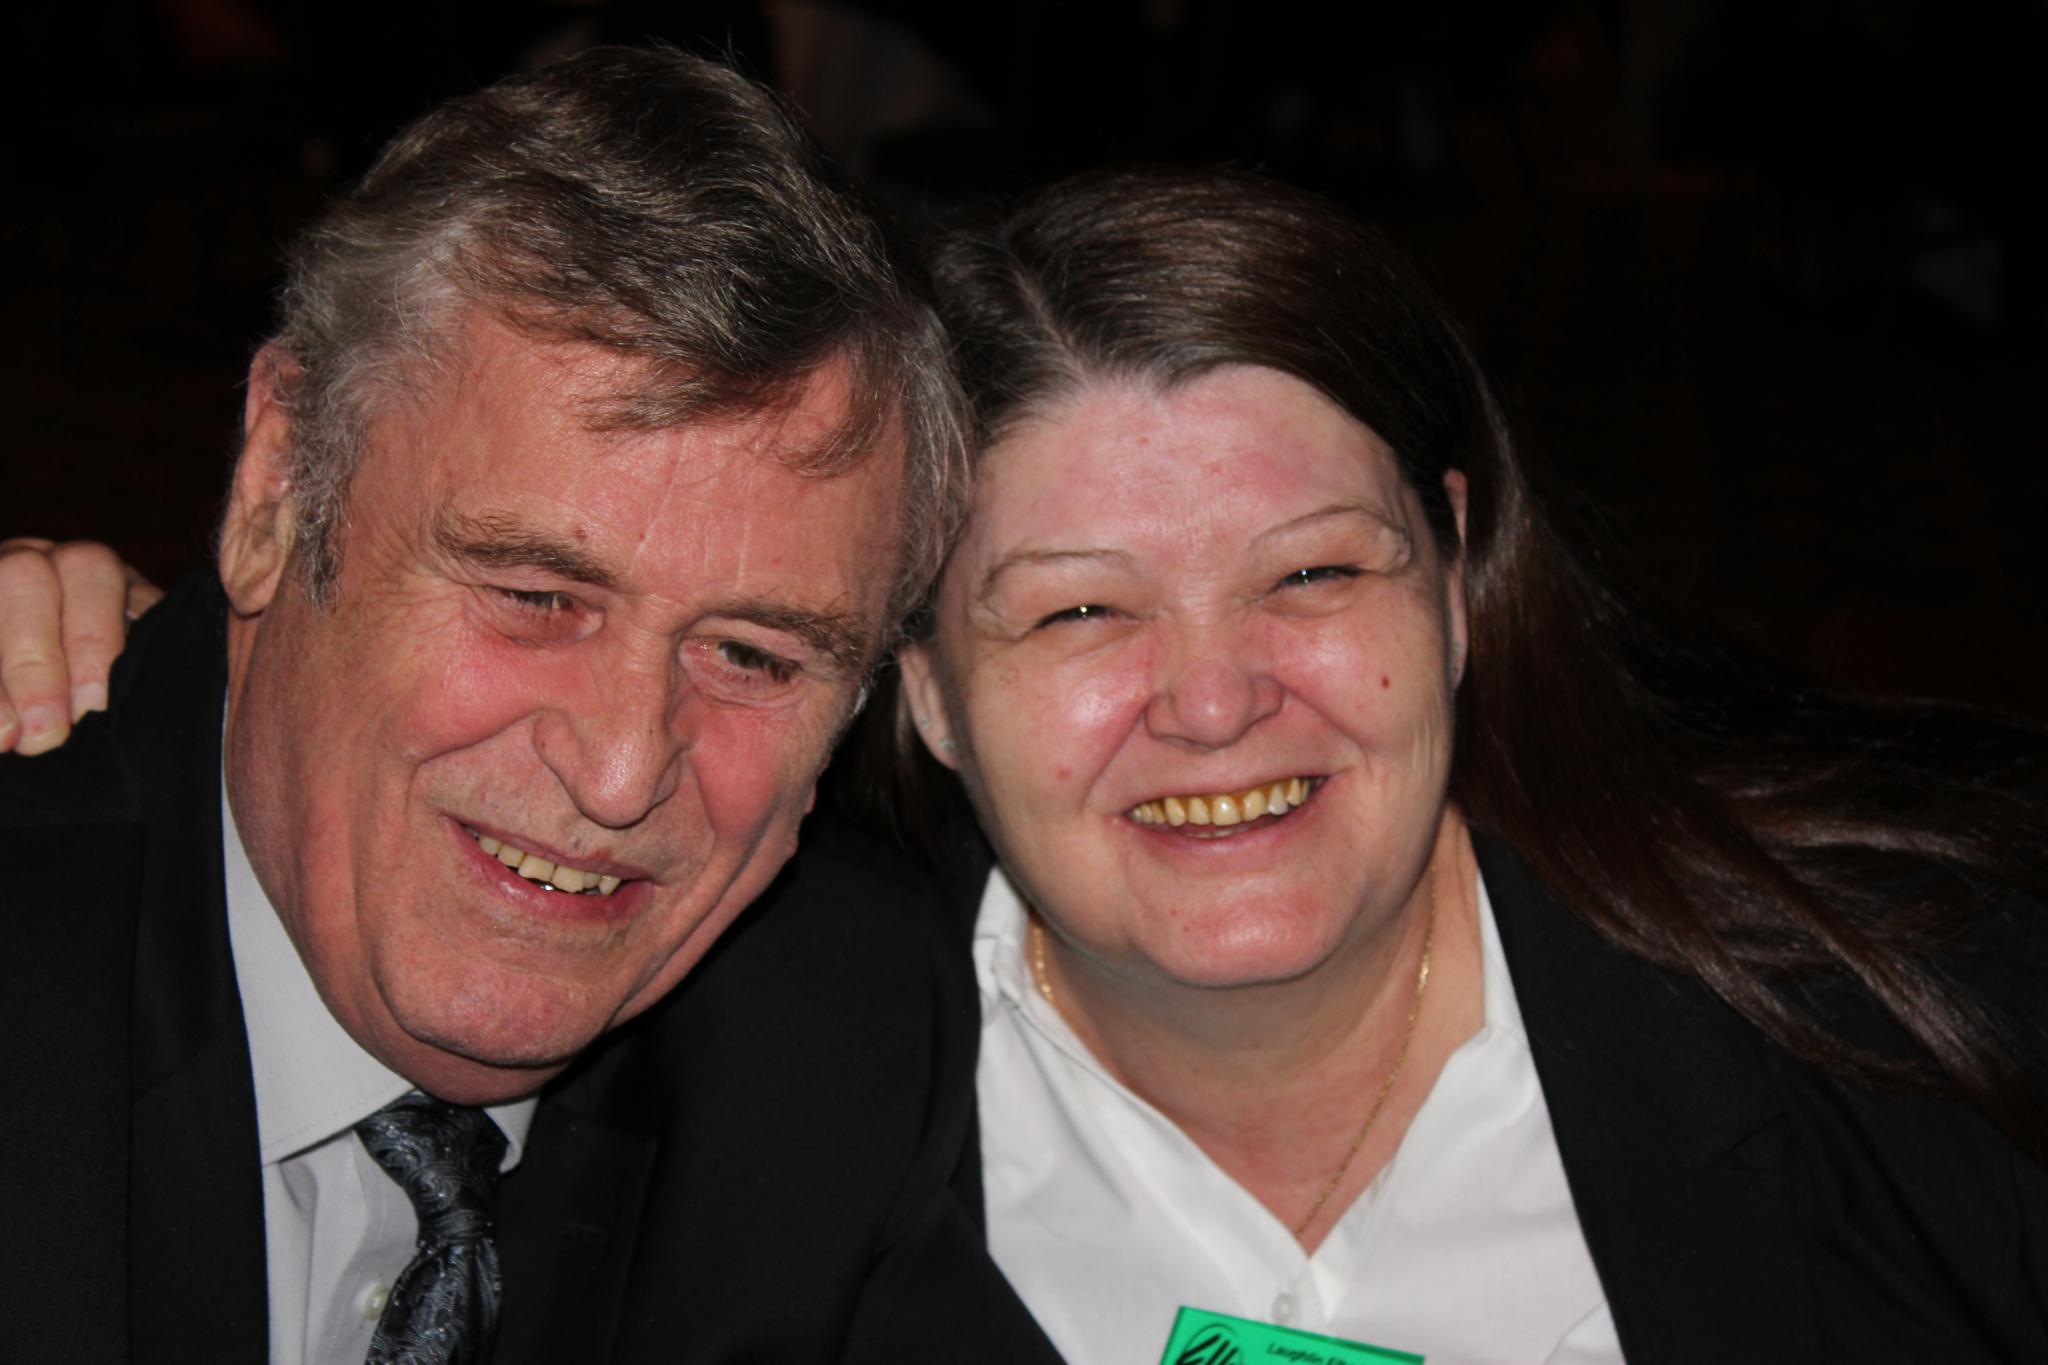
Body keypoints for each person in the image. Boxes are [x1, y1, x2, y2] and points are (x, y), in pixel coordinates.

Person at [14, 170, 2048, 1363]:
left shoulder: (1924, 1028)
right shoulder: (781, 1055)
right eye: (1076, 610)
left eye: (1313, 572)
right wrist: (172, 656)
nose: (1214, 697)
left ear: (1451, 579)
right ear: (919, 684)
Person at [0, 46, 1058, 1365]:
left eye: (750, 654)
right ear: (278, 486)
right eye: (537, 595)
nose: (619, 769)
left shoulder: (823, 1040)